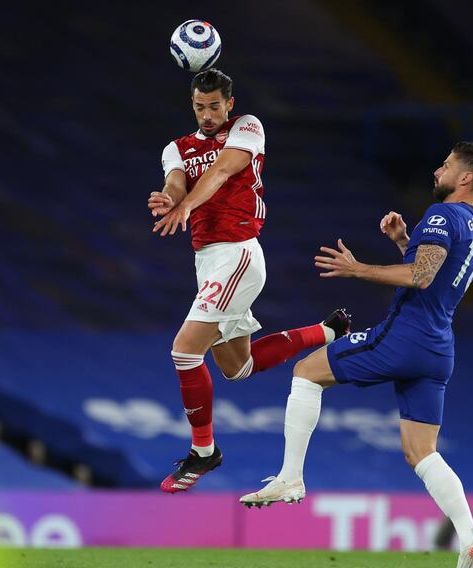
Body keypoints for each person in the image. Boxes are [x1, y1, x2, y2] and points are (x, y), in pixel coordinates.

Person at [240, 142, 473, 568]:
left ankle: (290, 478)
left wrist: (358, 269)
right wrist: (403, 242)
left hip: (405, 336)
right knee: (421, 452)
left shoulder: (443, 215)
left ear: (466, 178)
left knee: (305, 373)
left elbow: (421, 276)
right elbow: (430, 277)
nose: (438, 169)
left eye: (447, 165)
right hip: (438, 348)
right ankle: (471, 537)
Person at [149, 69, 351, 494]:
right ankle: (328, 330)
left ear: (230, 105)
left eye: (215, 106)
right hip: (208, 261)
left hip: (237, 251)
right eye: (200, 107)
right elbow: (175, 179)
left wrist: (185, 206)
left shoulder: (247, 127)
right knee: (236, 368)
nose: (208, 114)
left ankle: (203, 451)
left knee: (184, 352)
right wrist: (171, 196)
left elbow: (222, 171)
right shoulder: (177, 148)